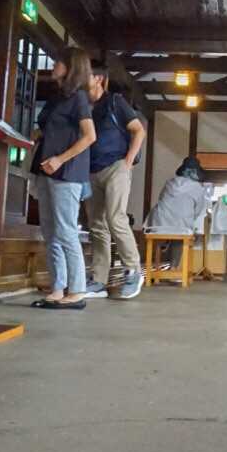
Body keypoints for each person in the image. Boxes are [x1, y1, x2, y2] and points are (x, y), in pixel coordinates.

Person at [30, 47, 97, 309]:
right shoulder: (57, 97)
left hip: (67, 172)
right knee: (50, 231)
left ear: (70, 67)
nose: (53, 64)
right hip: (45, 168)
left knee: (66, 230)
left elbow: (89, 136)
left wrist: (60, 159)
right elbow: (48, 129)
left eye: (58, 61)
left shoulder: (78, 97)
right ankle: (58, 287)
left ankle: (77, 290)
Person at [82, 63, 146, 300]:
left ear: (98, 79)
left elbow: (138, 130)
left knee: (115, 217)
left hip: (116, 166)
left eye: (85, 74)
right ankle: (99, 280)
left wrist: (128, 161)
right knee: (96, 225)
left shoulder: (114, 102)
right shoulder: (83, 105)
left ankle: (134, 271)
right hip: (91, 170)